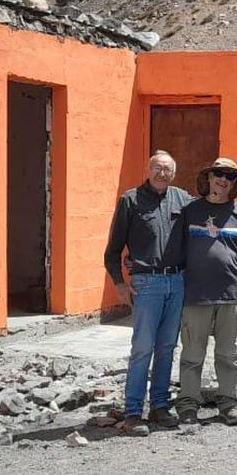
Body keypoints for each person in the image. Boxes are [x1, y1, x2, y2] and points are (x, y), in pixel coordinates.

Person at [103, 150, 190, 435]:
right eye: (157, 168)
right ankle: (132, 412)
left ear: (174, 173)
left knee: (166, 347)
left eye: (167, 169)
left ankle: (160, 407)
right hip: (146, 284)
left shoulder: (183, 200)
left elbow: (210, 211)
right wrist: (119, 283)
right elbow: (112, 251)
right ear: (148, 169)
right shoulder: (130, 200)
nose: (162, 173)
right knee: (142, 349)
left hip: (176, 281)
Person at [171, 157, 237, 427]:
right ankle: (187, 404)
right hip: (195, 294)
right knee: (192, 354)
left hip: (231, 294)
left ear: (234, 183)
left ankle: (229, 404)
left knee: (230, 354)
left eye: (230, 176)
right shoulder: (190, 210)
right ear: (208, 177)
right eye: (219, 174)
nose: (223, 179)